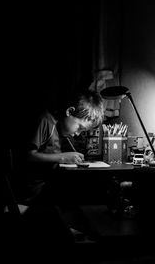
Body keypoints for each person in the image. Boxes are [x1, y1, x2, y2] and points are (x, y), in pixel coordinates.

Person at [13, 89, 105, 242]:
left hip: (45, 194)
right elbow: (26, 155)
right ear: (69, 112)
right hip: (30, 197)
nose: (78, 133)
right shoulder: (46, 121)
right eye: (79, 127)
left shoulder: (61, 131)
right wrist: (62, 157)